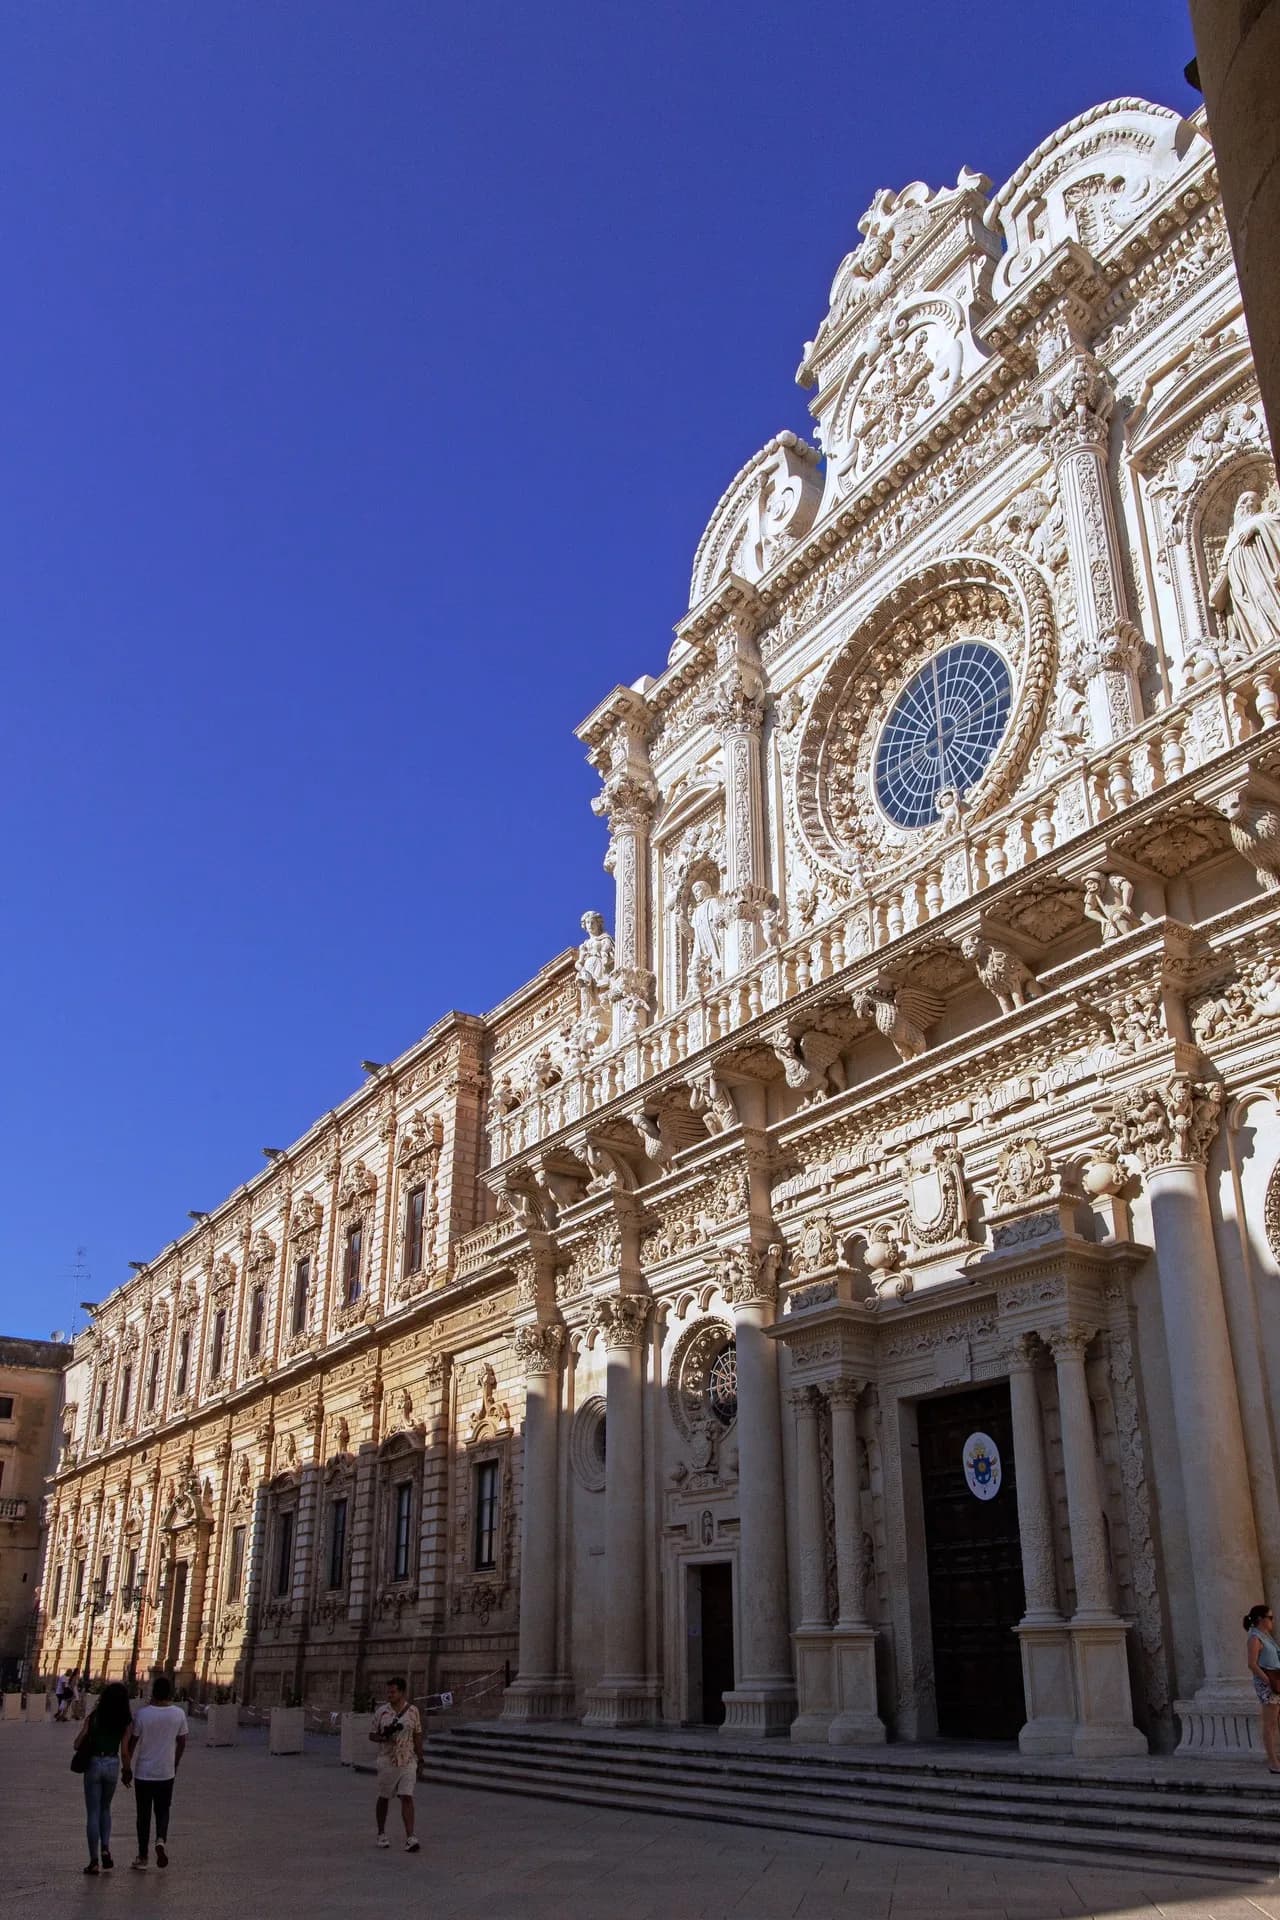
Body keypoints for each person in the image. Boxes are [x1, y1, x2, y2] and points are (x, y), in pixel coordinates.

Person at [122, 1673, 188, 1870]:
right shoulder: (178, 1714)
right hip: (166, 1772)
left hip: (144, 1772)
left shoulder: (143, 1714)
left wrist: (127, 1769)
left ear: (153, 1692)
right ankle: (160, 1839)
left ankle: (142, 1856)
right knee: (163, 1810)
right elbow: (182, 1741)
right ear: (170, 1693)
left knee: (143, 1815)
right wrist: (175, 1762)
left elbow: (132, 1743)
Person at [73, 1680, 131, 1874]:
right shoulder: (124, 1721)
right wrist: (126, 1771)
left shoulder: (94, 1717)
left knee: (93, 1812)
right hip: (113, 1764)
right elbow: (124, 1751)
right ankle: (105, 1848)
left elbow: (77, 1743)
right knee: (106, 1808)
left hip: (94, 1764)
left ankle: (94, 1861)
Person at [368, 1676, 423, 1852]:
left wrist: (420, 1759)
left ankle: (410, 1837)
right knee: (384, 1797)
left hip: (407, 1760)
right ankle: (381, 1833)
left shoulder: (413, 1711)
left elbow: (418, 1735)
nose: (389, 1695)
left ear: (401, 1692)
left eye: (393, 1692)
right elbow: (372, 1734)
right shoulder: (381, 1712)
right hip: (387, 1760)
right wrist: (383, 1736)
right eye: (388, 1692)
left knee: (407, 1796)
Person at [1244, 1603, 1280, 1772]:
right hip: (1268, 1684)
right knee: (1270, 1723)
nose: (1272, 1620)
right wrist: (1268, 1681)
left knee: (1275, 1722)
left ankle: (1275, 1757)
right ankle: (1273, 1762)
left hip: (1275, 1681)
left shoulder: (1265, 1636)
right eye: (1270, 1617)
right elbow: (1252, 1664)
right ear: (1260, 1619)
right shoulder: (1254, 1638)